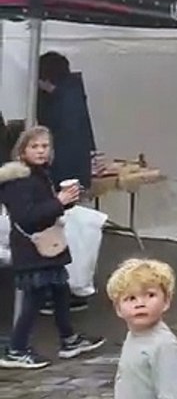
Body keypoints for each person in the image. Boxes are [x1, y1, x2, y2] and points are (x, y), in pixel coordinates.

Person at [0, 127, 104, 369]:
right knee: (34, 298)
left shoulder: (40, 175)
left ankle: (69, 339)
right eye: (34, 146)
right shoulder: (18, 180)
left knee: (60, 291)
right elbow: (27, 217)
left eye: (45, 146)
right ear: (22, 150)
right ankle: (16, 348)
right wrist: (59, 202)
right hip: (33, 248)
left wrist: (66, 201)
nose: (41, 151)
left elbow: (45, 209)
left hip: (49, 245)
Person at [107, 258, 177, 399]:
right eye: (131, 298)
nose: (140, 304)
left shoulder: (164, 344)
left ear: (166, 302)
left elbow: (175, 396)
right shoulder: (134, 335)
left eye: (150, 295)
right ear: (118, 309)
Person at [35, 52, 98, 192]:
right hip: (77, 168)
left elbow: (63, 137)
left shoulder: (65, 102)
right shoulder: (73, 91)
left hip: (65, 169)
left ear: (45, 79)